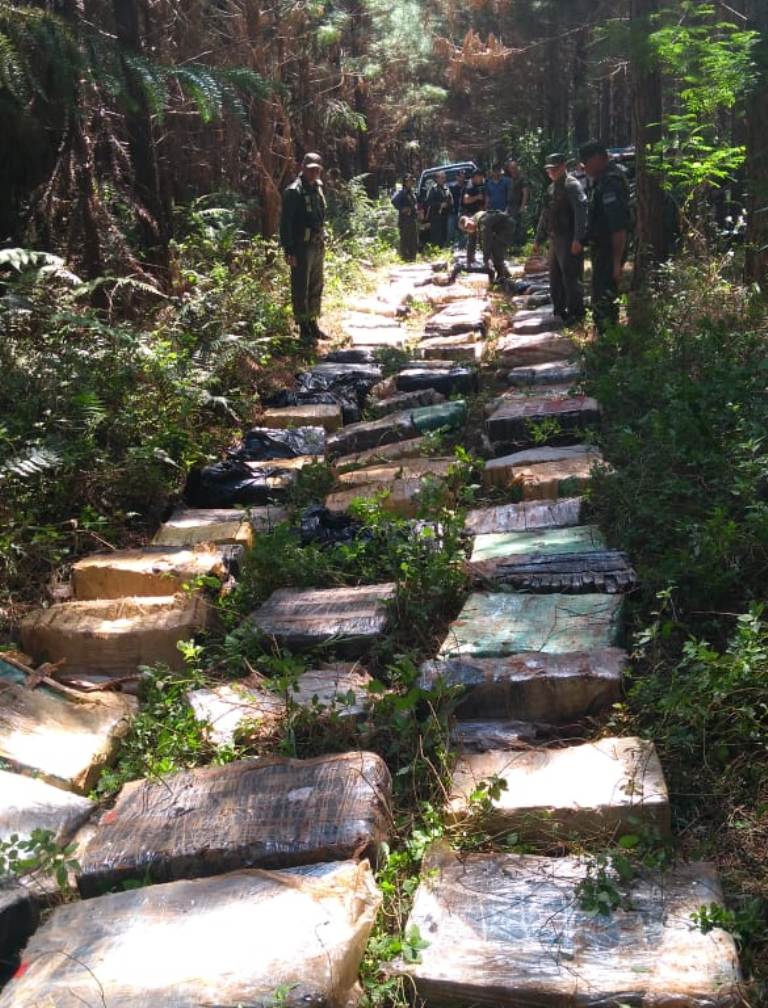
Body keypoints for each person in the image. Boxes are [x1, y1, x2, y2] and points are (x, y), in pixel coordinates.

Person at [579, 140, 631, 332]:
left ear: (598, 158)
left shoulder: (611, 183)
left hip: (609, 251)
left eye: (587, 162)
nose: (584, 167)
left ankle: (607, 339)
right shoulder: (601, 181)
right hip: (601, 249)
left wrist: (617, 263)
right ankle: (604, 335)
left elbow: (618, 227)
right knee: (599, 294)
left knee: (605, 298)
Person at [533, 153, 587, 325]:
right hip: (555, 239)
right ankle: (559, 310)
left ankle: (576, 314)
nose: (552, 172)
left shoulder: (572, 185)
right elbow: (545, 215)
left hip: (569, 237)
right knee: (555, 277)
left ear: (563, 167)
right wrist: (538, 239)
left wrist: (578, 238)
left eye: (555, 169)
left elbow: (581, 212)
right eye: (549, 170)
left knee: (571, 276)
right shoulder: (551, 188)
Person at [279, 151, 327, 345]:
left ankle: (313, 323)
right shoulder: (294, 191)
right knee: (301, 287)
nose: (314, 173)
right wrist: (288, 249)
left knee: (316, 285)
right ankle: (304, 328)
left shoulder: (318, 188)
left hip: (317, 244)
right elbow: (286, 223)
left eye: (317, 170)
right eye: (310, 169)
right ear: (303, 168)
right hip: (301, 247)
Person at [459, 210, 513, 285]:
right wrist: (469, 260)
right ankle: (504, 273)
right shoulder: (474, 225)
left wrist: (486, 260)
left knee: (495, 249)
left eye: (468, 224)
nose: (469, 227)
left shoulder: (482, 221)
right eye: (466, 228)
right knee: (491, 249)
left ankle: (502, 276)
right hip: (499, 229)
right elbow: (471, 243)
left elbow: (486, 241)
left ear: (470, 219)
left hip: (506, 226)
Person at [391, 174, 419, 261]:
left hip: (412, 218)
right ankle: (405, 257)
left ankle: (412, 257)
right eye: (409, 181)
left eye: (412, 181)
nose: (411, 183)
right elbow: (394, 201)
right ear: (405, 182)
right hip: (405, 220)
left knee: (413, 238)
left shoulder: (411, 192)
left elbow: (414, 204)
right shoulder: (402, 192)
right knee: (405, 238)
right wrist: (402, 208)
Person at [504, 158, 530, 247]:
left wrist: (523, 206)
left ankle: (519, 245)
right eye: (511, 168)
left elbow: (525, 193)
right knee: (510, 225)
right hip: (510, 206)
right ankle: (512, 245)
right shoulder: (510, 179)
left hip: (518, 205)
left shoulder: (522, 178)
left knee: (517, 226)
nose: (513, 170)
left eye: (514, 167)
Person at [424, 171, 452, 247]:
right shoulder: (433, 189)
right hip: (435, 217)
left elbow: (450, 200)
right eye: (442, 178)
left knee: (444, 235)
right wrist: (439, 204)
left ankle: (443, 249)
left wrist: (448, 204)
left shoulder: (446, 188)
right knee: (436, 237)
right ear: (437, 179)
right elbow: (429, 202)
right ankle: (436, 250)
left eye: (444, 178)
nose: (443, 179)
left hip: (445, 216)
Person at [448, 169, 467, 247]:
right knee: (450, 232)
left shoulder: (467, 187)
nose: (462, 178)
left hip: (464, 213)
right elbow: (448, 200)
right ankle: (450, 247)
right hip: (453, 213)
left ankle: (462, 247)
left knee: (464, 232)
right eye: (460, 176)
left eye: (463, 176)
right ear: (457, 177)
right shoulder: (452, 188)